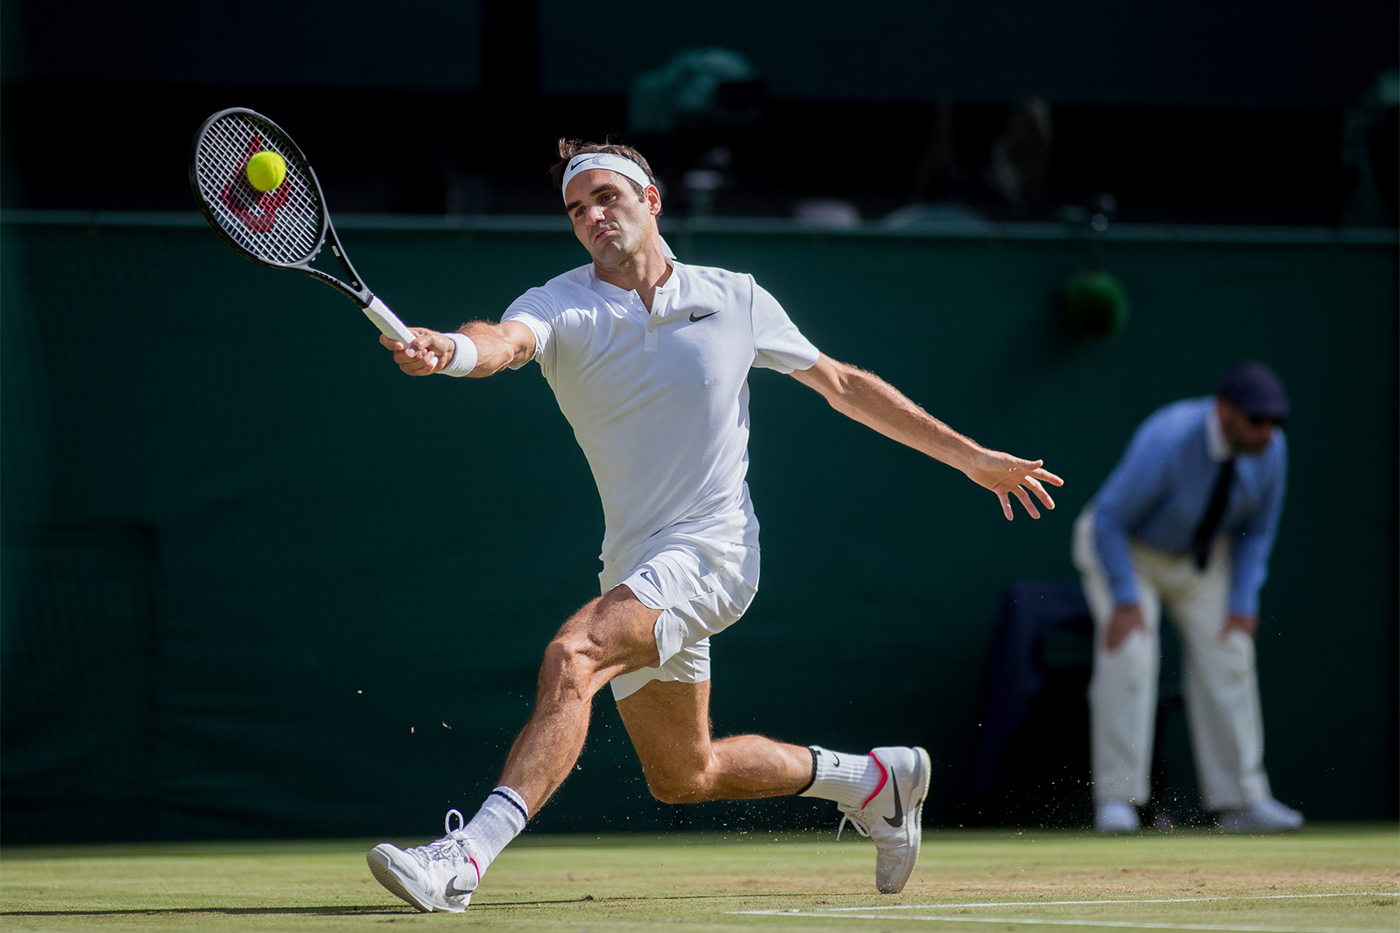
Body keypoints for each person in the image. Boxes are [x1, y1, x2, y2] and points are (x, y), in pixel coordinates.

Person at [364, 140, 1064, 912]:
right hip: (633, 562)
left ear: (651, 199)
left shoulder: (735, 297)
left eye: (607, 197)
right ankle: (874, 781)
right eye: (576, 208)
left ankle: (464, 856)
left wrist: (969, 458)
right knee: (683, 773)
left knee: (574, 655)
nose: (593, 215)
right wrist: (451, 350)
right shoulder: (558, 304)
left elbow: (842, 385)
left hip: (714, 552)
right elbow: (503, 343)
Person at [1073, 363, 1301, 834]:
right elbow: (1109, 519)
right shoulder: (1168, 438)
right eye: (1256, 421)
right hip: (1124, 549)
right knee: (1131, 655)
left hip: (1200, 558)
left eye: (1274, 422)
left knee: (1231, 652)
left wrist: (1243, 603)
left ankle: (1241, 801)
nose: (1266, 432)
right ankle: (1117, 800)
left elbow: (1258, 532)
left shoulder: (1272, 450)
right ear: (1225, 411)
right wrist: (1124, 598)